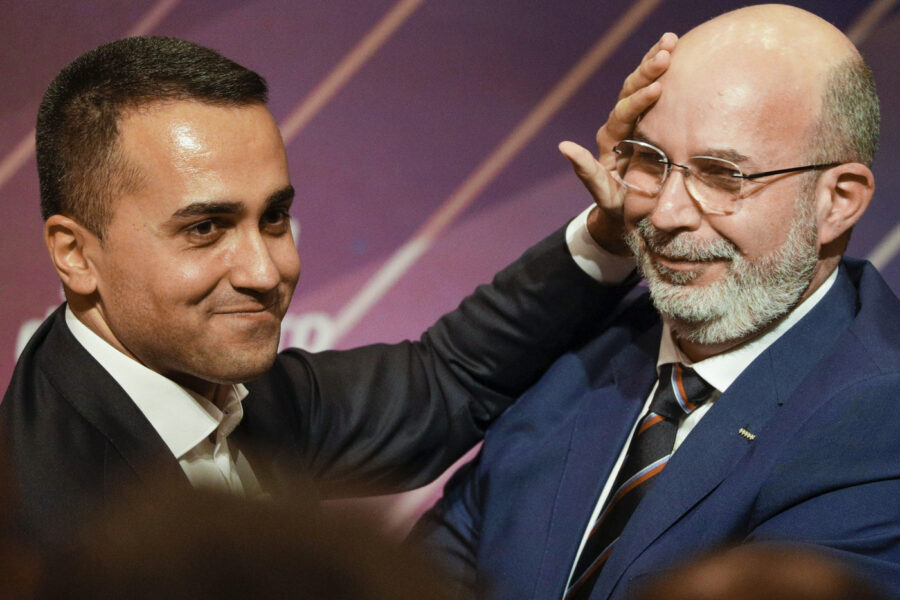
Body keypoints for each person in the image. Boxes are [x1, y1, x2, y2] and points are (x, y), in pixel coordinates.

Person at [0, 35, 669, 551]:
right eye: (205, 228)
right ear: (75, 254)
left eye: (274, 218)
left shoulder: (233, 386)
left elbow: (446, 380)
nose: (265, 272)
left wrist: (609, 234)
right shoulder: (39, 521)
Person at [413, 5, 900, 600]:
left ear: (838, 201)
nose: (664, 214)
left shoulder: (881, 422)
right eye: (651, 160)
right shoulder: (580, 353)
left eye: (722, 176)